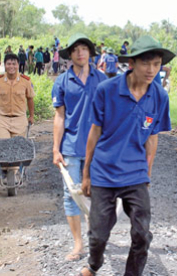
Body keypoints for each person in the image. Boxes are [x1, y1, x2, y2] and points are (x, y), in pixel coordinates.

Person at [79, 35, 174, 276]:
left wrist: (147, 172)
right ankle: (94, 264)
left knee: (142, 233)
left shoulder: (160, 96)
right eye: (146, 63)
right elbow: (95, 132)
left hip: (135, 174)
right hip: (104, 171)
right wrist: (86, 174)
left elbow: (152, 137)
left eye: (157, 64)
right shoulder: (106, 90)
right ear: (132, 63)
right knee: (99, 234)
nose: (152, 70)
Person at [51, 33, 108, 263]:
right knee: (71, 195)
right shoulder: (62, 82)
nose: (80, 52)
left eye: (84, 48)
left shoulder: (103, 79)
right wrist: (56, 149)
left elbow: (110, 115)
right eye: (76, 49)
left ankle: (94, 237)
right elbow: (59, 117)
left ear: (90, 53)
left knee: (95, 194)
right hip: (71, 147)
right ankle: (78, 244)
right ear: (70, 54)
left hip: (97, 149)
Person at [0, 53, 35, 139]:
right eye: (8, 64)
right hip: (2, 120)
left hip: (20, 119)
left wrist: (31, 116)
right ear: (5, 65)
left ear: (18, 65)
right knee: (3, 146)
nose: (11, 66)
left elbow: (30, 99)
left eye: (14, 64)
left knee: (18, 148)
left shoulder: (26, 81)